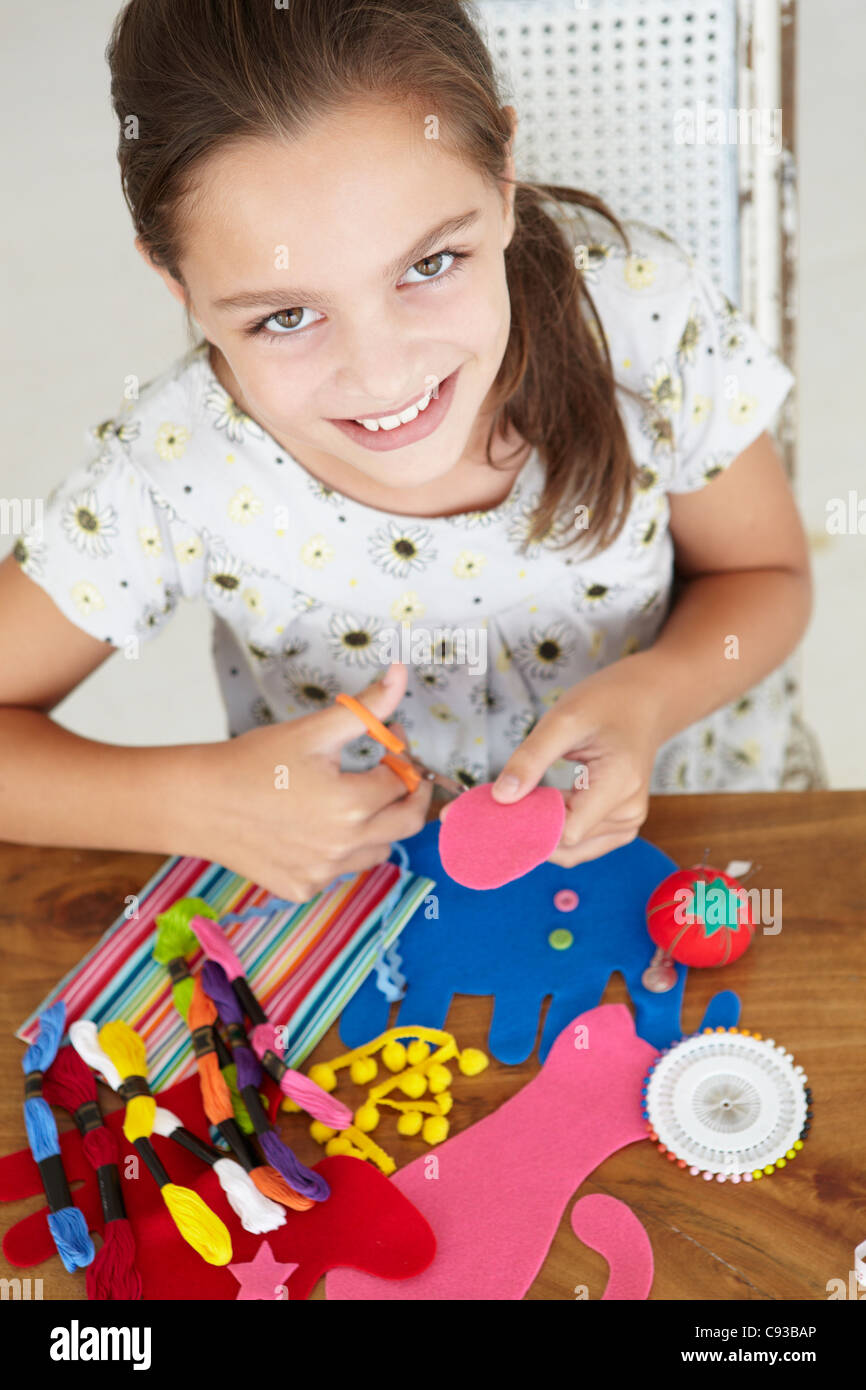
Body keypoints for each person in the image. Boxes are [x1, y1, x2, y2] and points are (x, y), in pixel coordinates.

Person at [0, 0, 811, 902]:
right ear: (177, 281)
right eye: (286, 316)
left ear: (502, 176)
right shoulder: (173, 471)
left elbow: (766, 576)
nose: (383, 376)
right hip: (364, 924)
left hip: (699, 848)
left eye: (430, 264)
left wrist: (654, 697)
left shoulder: (646, 325)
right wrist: (194, 804)